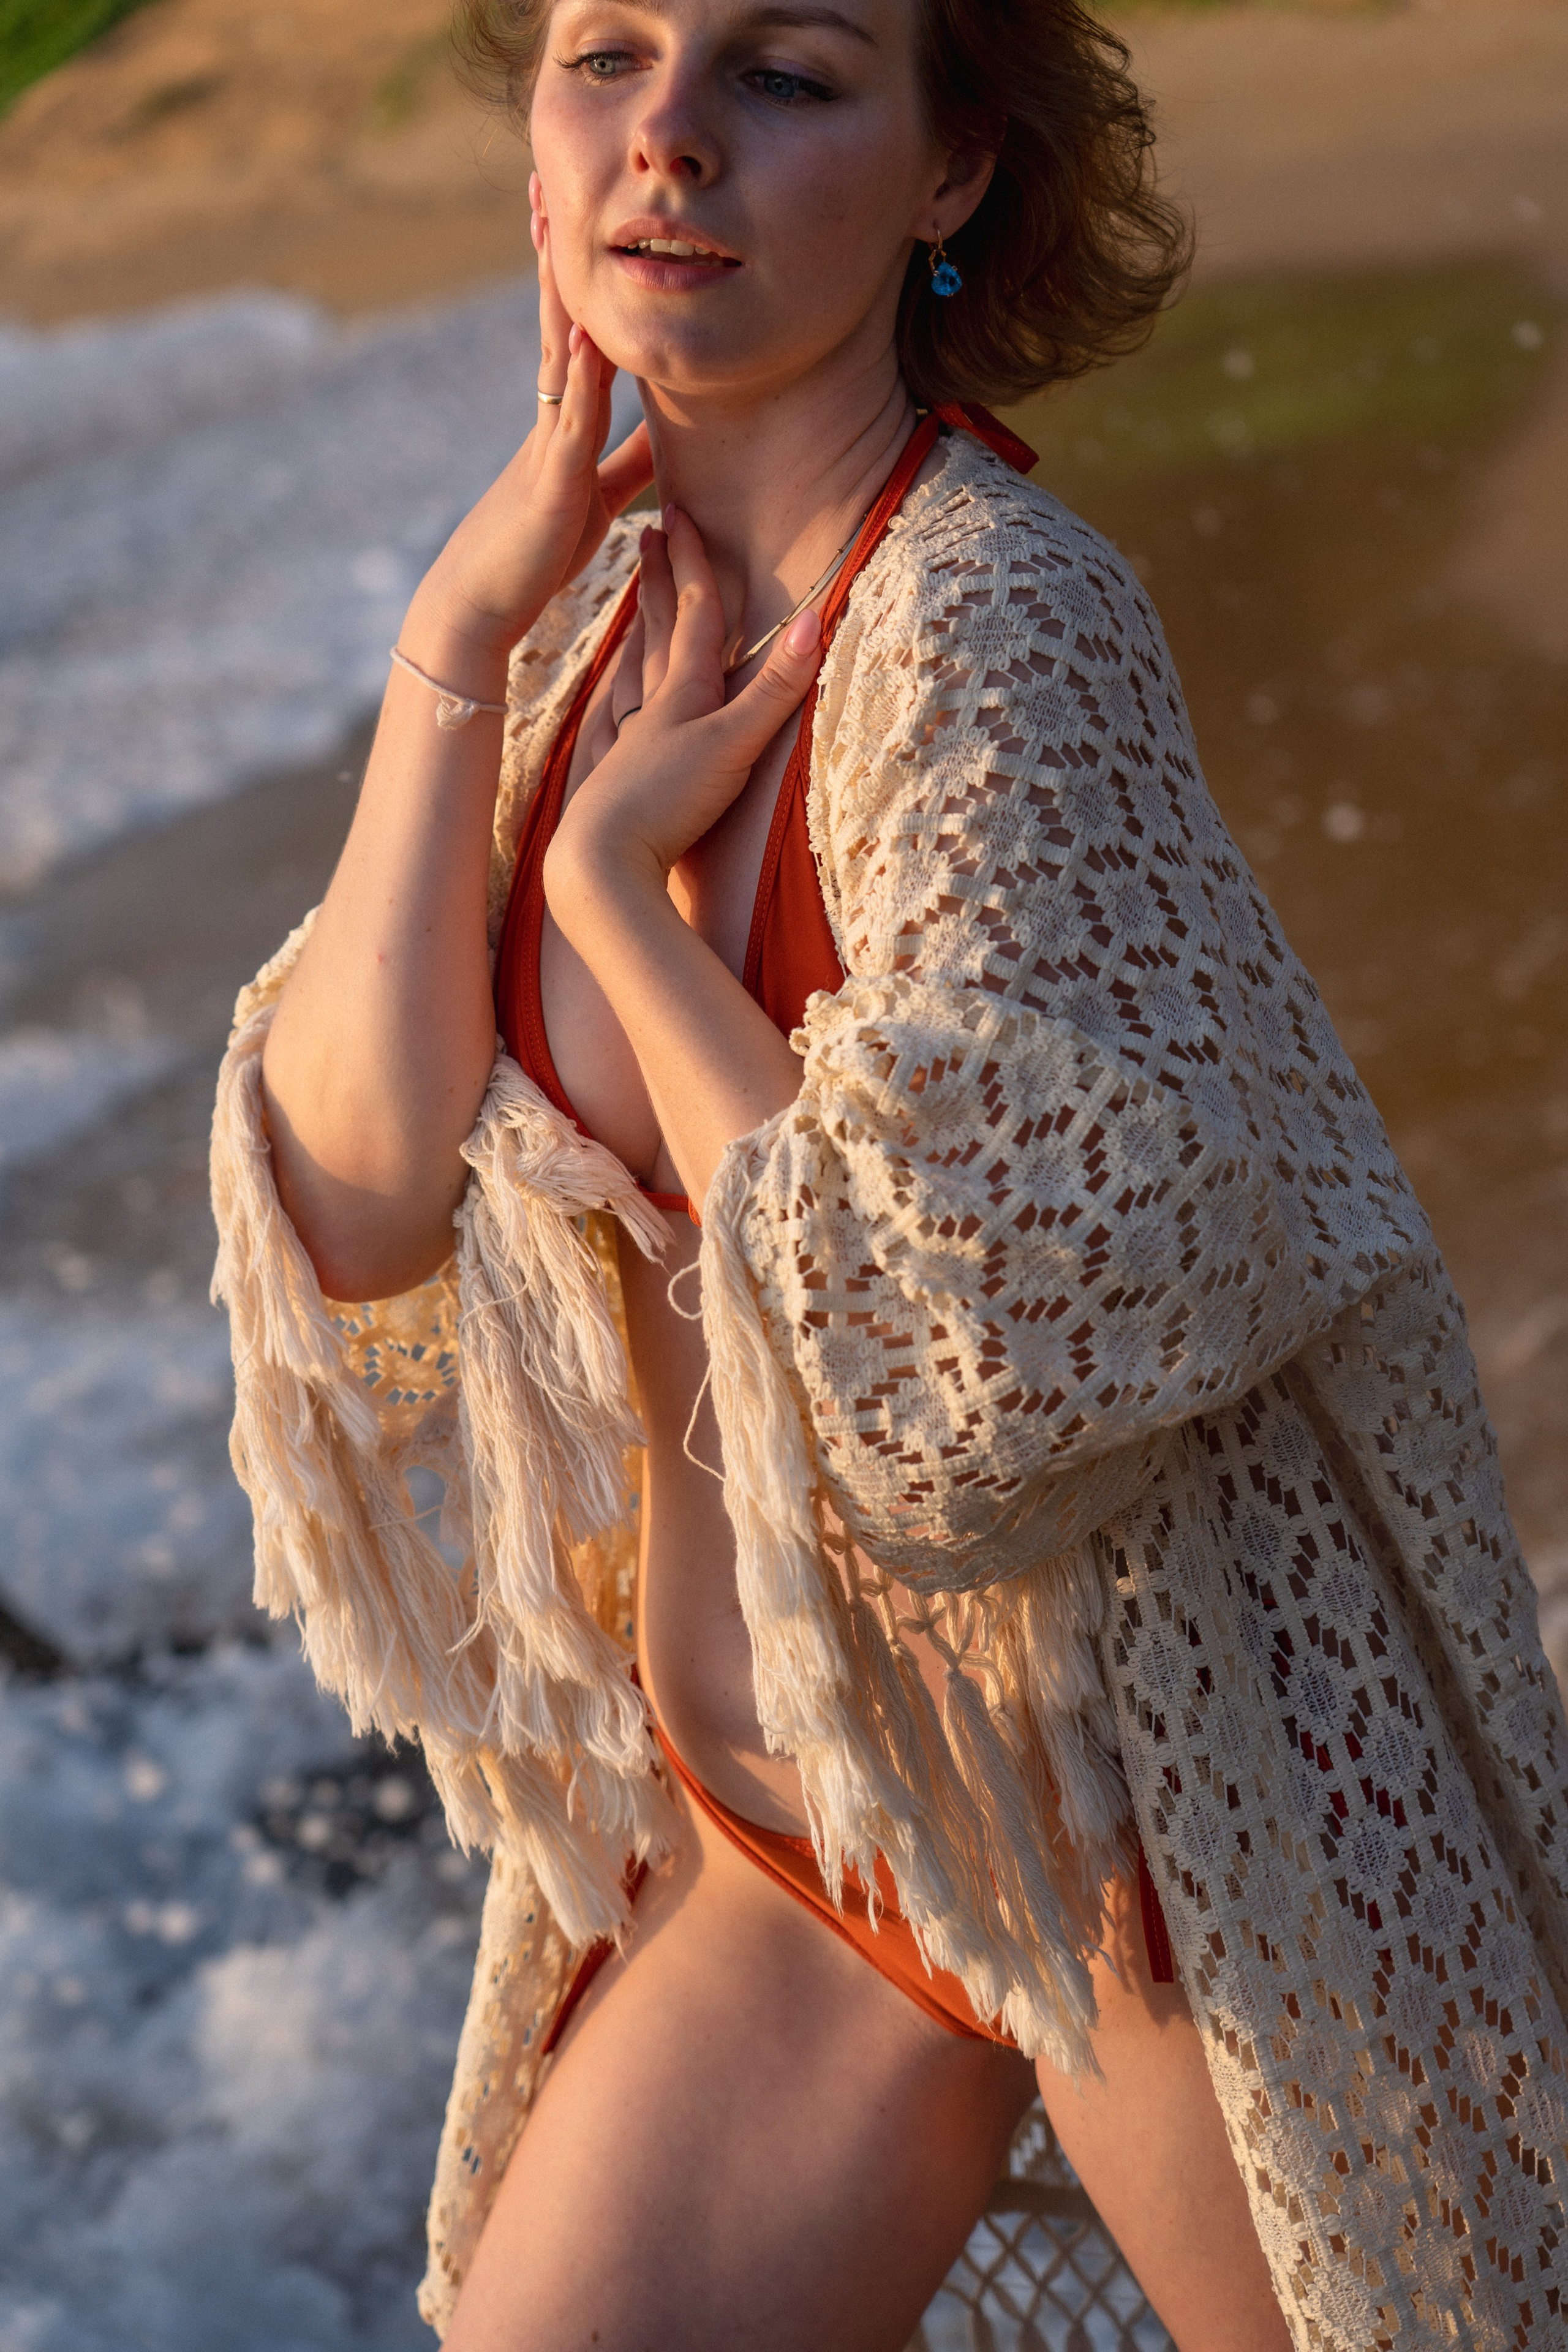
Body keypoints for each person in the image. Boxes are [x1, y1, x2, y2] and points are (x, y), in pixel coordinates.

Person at [209, 0, 1568, 2345]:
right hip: (814, 1835)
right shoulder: (576, 640)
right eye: (604, 56)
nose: (669, 139)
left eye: (787, 74)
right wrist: (454, 636)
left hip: (1152, 1827)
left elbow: (967, 1363)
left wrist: (627, 931)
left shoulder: (996, 619)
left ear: (954, 174)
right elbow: (345, 1199)